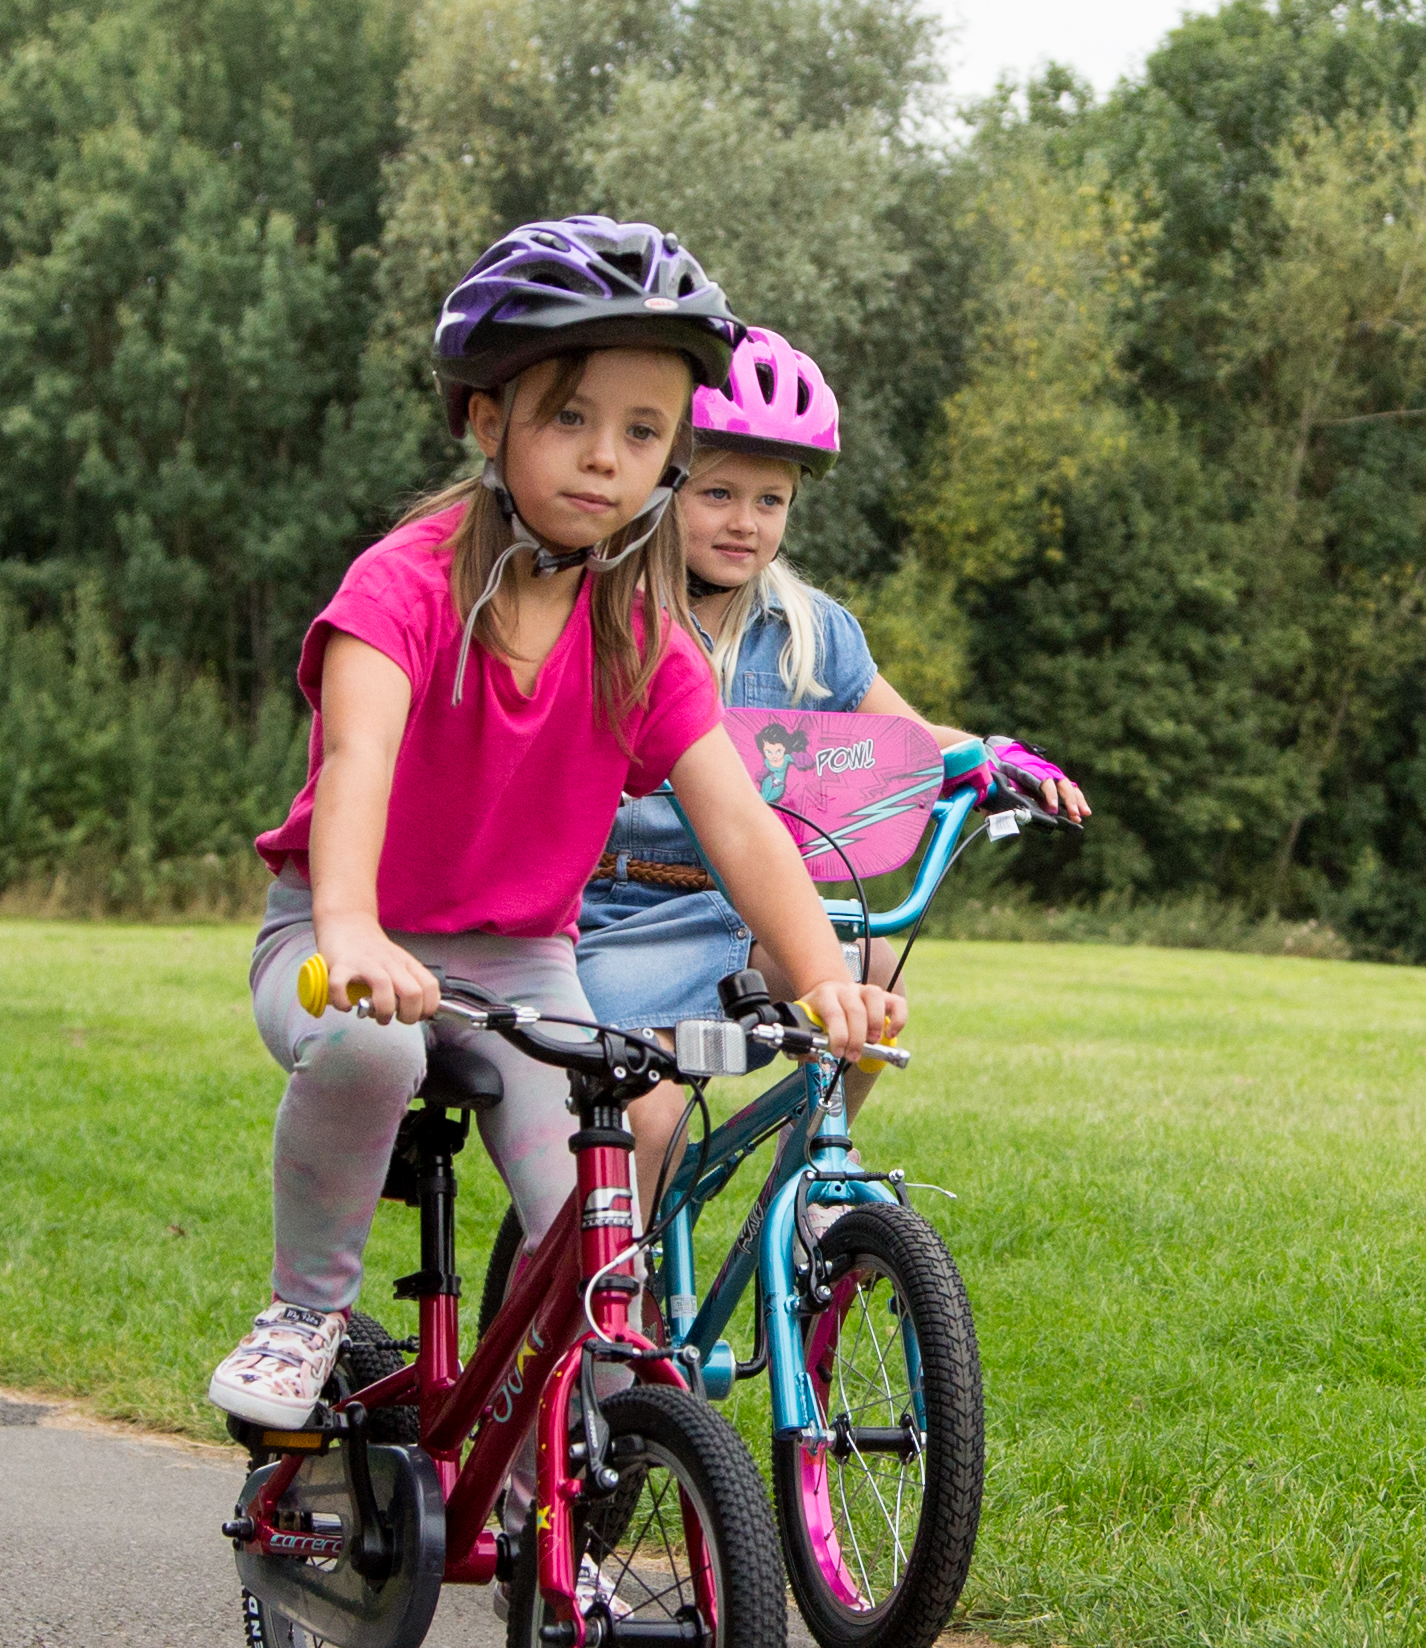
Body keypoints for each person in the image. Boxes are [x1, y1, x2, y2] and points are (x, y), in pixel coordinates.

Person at [211, 222, 904, 1431]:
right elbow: (358, 760)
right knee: (369, 1048)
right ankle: (303, 1316)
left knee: (594, 1200)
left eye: (643, 433)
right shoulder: (404, 585)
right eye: (569, 419)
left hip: (525, 954)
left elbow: (740, 825)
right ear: (490, 422)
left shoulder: (639, 632)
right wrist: (353, 931)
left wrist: (819, 976)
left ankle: (546, 1461)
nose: (605, 459)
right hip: (345, 936)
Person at [568, 326, 1090, 1202]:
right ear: (661, 488)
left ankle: (803, 1189)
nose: (745, 521)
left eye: (771, 501)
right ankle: (632, 1310)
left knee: (874, 973)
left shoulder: (811, 633)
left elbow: (912, 744)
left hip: (750, 907)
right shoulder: (610, 613)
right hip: (619, 907)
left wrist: (998, 758)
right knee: (649, 1115)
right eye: (719, 492)